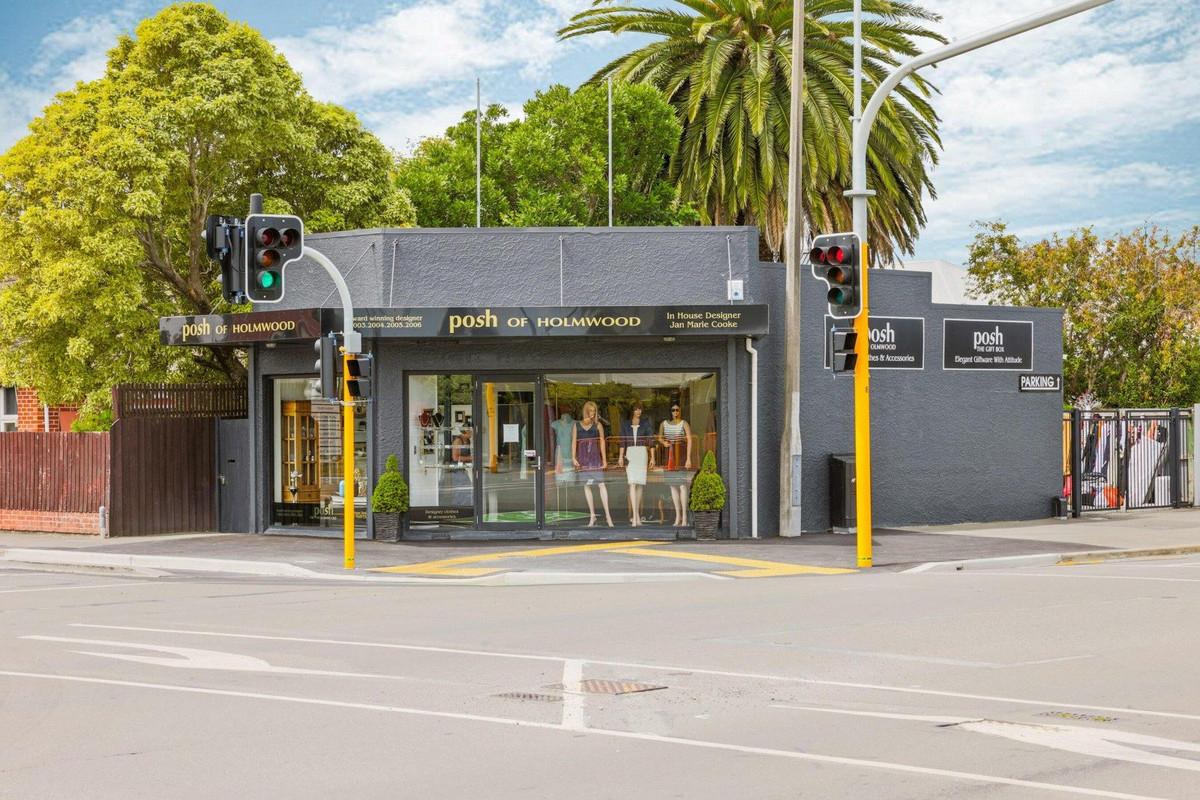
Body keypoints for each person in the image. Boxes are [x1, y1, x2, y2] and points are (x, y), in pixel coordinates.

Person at [572, 400, 613, 527]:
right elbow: (574, 442)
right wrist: (573, 457)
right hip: (583, 458)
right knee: (587, 485)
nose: (592, 413)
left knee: (601, 484)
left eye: (594, 411)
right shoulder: (577, 425)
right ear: (586, 411)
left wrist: (604, 460)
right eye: (590, 411)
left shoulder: (598, 425)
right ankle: (592, 515)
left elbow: (602, 443)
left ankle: (608, 516)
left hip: (595, 458)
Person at [657, 401, 694, 527]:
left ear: (680, 411)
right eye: (673, 410)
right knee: (672, 486)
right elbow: (659, 437)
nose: (675, 412)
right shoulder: (664, 424)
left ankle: (684, 516)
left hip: (681, 455)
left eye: (677, 410)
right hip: (669, 456)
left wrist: (688, 458)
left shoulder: (684, 423)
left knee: (682, 486)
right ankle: (678, 516)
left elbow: (689, 440)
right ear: (670, 411)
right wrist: (664, 443)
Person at [618, 400, 654, 526]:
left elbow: (650, 440)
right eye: (636, 409)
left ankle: (637, 516)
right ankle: (635, 516)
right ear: (632, 410)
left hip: (642, 453)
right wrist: (620, 457)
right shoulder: (625, 424)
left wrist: (652, 458)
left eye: (640, 409)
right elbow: (622, 442)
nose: (638, 411)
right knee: (632, 483)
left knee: (639, 485)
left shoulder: (645, 423)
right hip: (630, 453)